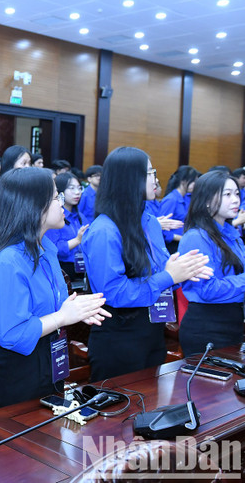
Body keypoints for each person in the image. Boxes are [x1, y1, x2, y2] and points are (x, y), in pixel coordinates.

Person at [0, 167, 109, 412]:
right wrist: (62, 317)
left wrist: (77, 310)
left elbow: (50, 305)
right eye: (56, 197)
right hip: (16, 377)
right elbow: (11, 334)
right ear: (34, 206)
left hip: (48, 361)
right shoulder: (6, 262)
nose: (62, 204)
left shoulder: (46, 247)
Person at [81, 147, 211, 382]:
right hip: (119, 339)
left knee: (149, 410)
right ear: (130, 179)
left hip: (152, 330)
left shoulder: (149, 221)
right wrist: (169, 276)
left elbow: (159, 272)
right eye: (150, 172)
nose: (157, 179)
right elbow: (116, 293)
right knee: (119, 413)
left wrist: (181, 270)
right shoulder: (104, 230)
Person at [177, 171, 245, 356]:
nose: (235, 200)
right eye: (227, 194)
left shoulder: (233, 235)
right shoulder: (195, 237)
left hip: (233, 322)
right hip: (207, 326)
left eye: (237, 194)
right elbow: (208, 290)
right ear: (207, 200)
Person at [45, 172, 88, 281]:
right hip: (63, 269)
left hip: (82, 267)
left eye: (79, 188)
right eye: (72, 188)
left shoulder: (80, 216)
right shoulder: (53, 217)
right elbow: (54, 248)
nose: (77, 192)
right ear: (60, 192)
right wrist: (77, 240)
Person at [160, 165, 200, 253]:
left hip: (182, 242)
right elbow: (162, 230)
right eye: (193, 181)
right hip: (172, 246)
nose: (195, 184)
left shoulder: (185, 198)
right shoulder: (171, 199)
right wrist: (184, 239)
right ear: (183, 181)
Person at [0, 145, 30, 220]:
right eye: (24, 163)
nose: (28, 167)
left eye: (29, 163)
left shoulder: (31, 192)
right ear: (10, 166)